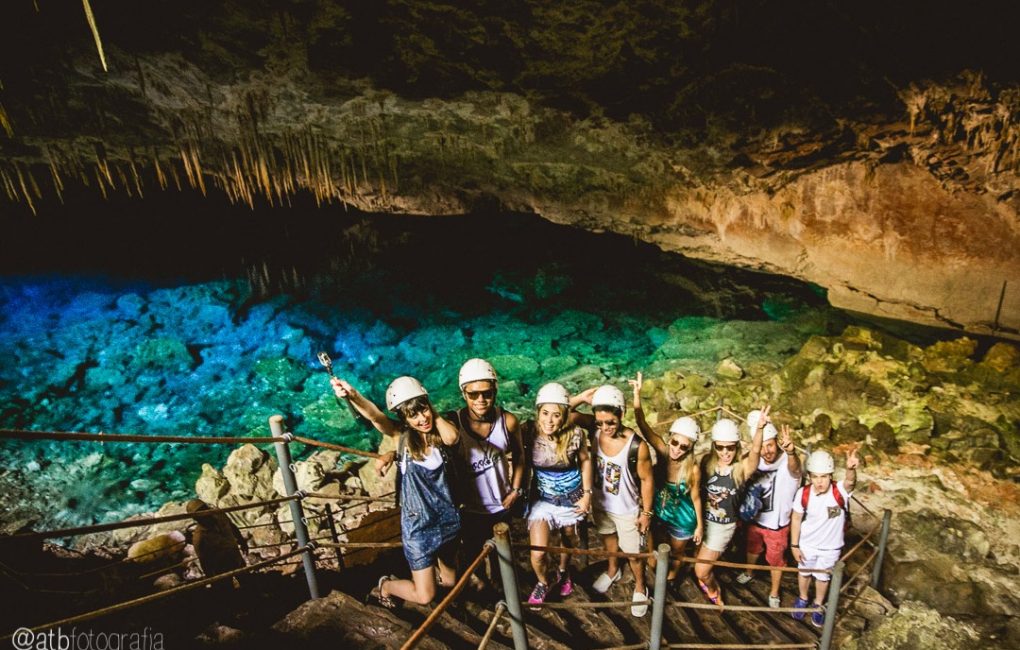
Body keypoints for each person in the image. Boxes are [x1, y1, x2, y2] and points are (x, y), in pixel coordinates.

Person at [331, 375, 461, 607]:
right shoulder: (401, 437)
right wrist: (353, 395)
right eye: (413, 415)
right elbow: (375, 416)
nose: (422, 419)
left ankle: (435, 590)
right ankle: (386, 585)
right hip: (418, 527)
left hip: (447, 520)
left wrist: (430, 409)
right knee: (425, 596)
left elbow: (452, 438)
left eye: (424, 410)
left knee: (450, 583)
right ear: (403, 417)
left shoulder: (441, 431)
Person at [448, 358, 525, 591]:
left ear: (495, 390)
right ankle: (482, 585)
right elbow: (416, 433)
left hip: (501, 504)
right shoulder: (453, 424)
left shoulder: (508, 421)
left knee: (502, 555)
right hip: (470, 507)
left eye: (487, 393)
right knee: (473, 552)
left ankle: (503, 590)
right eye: (474, 395)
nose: (481, 400)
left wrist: (516, 490)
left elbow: (521, 456)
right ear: (464, 394)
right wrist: (392, 452)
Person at [629, 372, 703, 600]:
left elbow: (696, 497)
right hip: (661, 510)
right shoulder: (662, 452)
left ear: (690, 449)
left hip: (683, 516)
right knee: (654, 553)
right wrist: (637, 395)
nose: (677, 449)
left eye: (684, 447)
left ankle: (670, 580)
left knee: (678, 553)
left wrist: (700, 526)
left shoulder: (692, 469)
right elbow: (642, 424)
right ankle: (659, 575)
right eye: (675, 442)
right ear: (669, 438)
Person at [523, 382, 594, 607]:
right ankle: (544, 581)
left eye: (556, 416)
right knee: (538, 554)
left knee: (567, 541)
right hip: (542, 499)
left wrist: (587, 495)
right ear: (538, 412)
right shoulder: (529, 431)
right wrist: (581, 397)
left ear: (564, 416)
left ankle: (564, 572)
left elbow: (585, 460)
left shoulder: (574, 433)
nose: (549, 421)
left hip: (572, 497)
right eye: (544, 413)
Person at [587, 384, 654, 618]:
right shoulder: (593, 432)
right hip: (601, 504)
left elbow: (647, 480)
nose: (604, 428)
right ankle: (613, 570)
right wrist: (579, 398)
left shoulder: (637, 446)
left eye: (610, 422)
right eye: (600, 422)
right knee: (608, 540)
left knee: (634, 552)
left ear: (621, 415)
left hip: (627, 508)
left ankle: (640, 586)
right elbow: (564, 413)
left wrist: (646, 513)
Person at [693, 405, 768, 606]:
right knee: (698, 557)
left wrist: (759, 430)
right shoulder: (706, 462)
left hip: (723, 526)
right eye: (720, 447)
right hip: (704, 520)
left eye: (730, 447)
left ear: (736, 446)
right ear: (714, 446)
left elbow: (756, 451)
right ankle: (706, 579)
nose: (725, 452)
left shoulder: (741, 469)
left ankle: (713, 588)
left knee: (700, 570)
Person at [734, 412, 802, 609]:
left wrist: (791, 452)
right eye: (763, 446)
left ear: (777, 444)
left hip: (777, 525)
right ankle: (749, 571)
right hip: (755, 519)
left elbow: (795, 470)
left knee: (776, 559)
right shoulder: (755, 460)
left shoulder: (787, 463)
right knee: (752, 548)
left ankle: (774, 590)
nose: (767, 451)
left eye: (770, 445)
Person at [790, 448, 859, 628]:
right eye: (815, 477)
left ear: (831, 475)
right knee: (804, 573)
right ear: (810, 476)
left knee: (823, 578)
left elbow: (850, 482)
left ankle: (818, 604)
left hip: (831, 547)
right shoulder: (803, 494)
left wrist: (851, 469)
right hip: (807, 544)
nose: (819, 481)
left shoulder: (839, 492)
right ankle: (803, 598)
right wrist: (794, 545)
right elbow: (796, 518)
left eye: (824, 476)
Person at [186, 498, 248, 590]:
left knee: (247, 581)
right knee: (227, 591)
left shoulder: (220, 515)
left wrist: (241, 541)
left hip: (235, 557)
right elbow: (204, 561)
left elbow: (231, 526)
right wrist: (212, 579)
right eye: (201, 511)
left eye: (204, 508)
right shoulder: (199, 538)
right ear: (196, 518)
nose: (205, 512)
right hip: (221, 567)